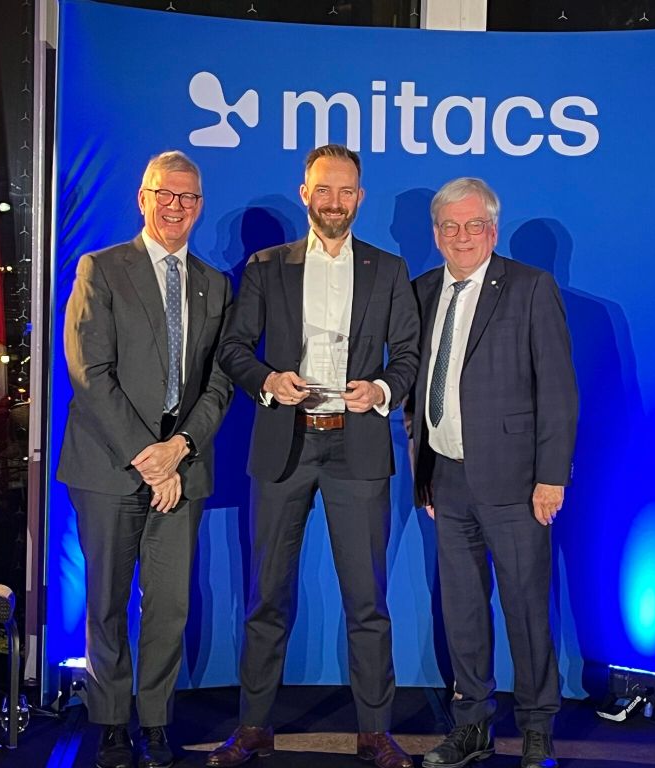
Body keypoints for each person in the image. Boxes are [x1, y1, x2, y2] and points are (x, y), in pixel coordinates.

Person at [209, 144, 420, 768]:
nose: (334, 202)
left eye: (346, 191)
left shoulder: (388, 268)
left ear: (360, 197)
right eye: (323, 190)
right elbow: (234, 348)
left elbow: (408, 356)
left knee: (367, 600)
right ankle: (252, 727)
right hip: (285, 445)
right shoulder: (266, 266)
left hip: (357, 448)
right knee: (267, 596)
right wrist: (268, 381)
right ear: (305, 194)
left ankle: (375, 732)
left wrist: (380, 390)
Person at [58, 150, 232, 768]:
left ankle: (155, 721)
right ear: (143, 196)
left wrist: (179, 451)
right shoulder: (101, 269)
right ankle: (109, 721)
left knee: (169, 604)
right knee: (105, 600)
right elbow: (89, 371)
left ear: (200, 205)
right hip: (109, 464)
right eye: (166, 194)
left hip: (181, 467)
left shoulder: (216, 283)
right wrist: (145, 455)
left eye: (189, 197)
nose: (176, 206)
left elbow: (219, 381)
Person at [410, 178, 578, 768]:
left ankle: (536, 729)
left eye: (473, 225)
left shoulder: (531, 288)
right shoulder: (423, 290)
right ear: (436, 235)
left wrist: (551, 477)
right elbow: (416, 387)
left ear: (493, 230)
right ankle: (472, 726)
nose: (461, 237)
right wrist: (422, 470)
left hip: (517, 485)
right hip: (447, 482)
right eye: (450, 227)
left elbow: (558, 391)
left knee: (526, 609)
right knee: (461, 611)